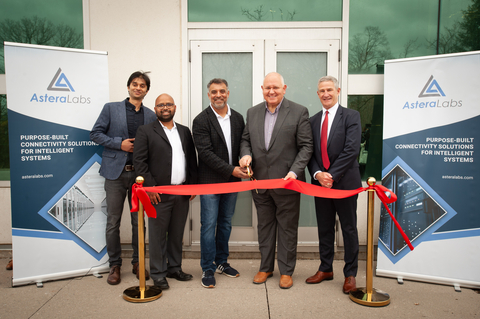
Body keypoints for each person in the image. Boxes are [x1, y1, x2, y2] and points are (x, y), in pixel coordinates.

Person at [239, 72, 313, 289]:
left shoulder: (299, 112)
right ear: (262, 89)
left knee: (287, 229)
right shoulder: (252, 113)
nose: (271, 91)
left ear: (284, 88)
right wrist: (245, 155)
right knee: (265, 227)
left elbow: (306, 146)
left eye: (276, 88)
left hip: (287, 182)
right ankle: (265, 267)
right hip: (260, 184)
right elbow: (245, 140)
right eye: (267, 88)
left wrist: (295, 171)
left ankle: (287, 271)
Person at [90, 71, 156, 285]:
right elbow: (95, 134)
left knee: (139, 222)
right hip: (115, 174)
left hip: (140, 176)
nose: (138, 88)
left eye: (142, 85)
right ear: (128, 87)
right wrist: (120, 144)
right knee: (113, 222)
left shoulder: (151, 115)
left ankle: (138, 262)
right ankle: (115, 265)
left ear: (147, 90)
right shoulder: (111, 108)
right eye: (135, 84)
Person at [133, 93, 198, 290]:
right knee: (158, 235)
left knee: (177, 233)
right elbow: (140, 162)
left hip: (181, 192)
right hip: (158, 194)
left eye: (169, 104)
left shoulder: (185, 131)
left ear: (175, 107)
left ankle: (174, 268)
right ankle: (158, 273)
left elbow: (191, 161)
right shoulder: (145, 131)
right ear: (155, 109)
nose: (165, 108)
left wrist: (192, 185)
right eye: (161, 105)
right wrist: (150, 187)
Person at [305, 75, 362, 294]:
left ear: (337, 91)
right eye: (321, 91)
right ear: (318, 94)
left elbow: (352, 149)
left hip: (345, 183)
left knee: (348, 229)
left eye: (329, 89)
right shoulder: (312, 120)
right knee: (325, 227)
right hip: (321, 185)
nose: (326, 94)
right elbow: (309, 152)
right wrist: (319, 174)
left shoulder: (351, 116)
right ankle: (325, 268)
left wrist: (332, 174)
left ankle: (350, 274)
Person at [192, 78, 248, 288]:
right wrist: (231, 170)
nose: (218, 95)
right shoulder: (201, 120)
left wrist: (244, 162)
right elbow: (205, 153)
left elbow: (244, 144)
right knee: (208, 225)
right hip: (210, 183)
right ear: (208, 95)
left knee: (225, 223)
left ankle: (222, 262)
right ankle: (207, 267)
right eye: (214, 92)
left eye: (222, 91)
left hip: (232, 183)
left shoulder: (238, 118)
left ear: (228, 93)